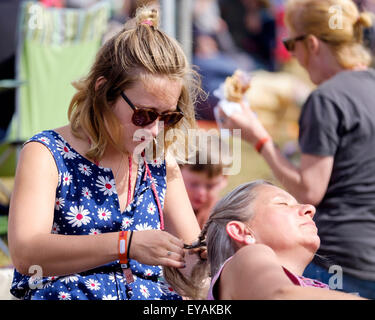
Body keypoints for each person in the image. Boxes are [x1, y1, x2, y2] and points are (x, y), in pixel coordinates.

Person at [7, 6, 202, 300]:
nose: (154, 130)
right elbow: (26, 253)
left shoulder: (158, 161)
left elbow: (193, 263)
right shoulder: (47, 153)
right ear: (103, 91)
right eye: (144, 115)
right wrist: (125, 245)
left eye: (168, 117)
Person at [218, 0, 375, 298]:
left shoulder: (327, 99)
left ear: (312, 44)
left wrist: (259, 138)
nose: (294, 56)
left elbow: (308, 192)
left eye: (291, 44)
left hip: (339, 260)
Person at [167, 180, 365, 299]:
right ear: (242, 232)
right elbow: (280, 296)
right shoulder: (246, 257)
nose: (310, 209)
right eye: (283, 203)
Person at [179, 132, 229, 228]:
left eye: (210, 186)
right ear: (178, 173)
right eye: (194, 184)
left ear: (224, 180)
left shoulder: (220, 216)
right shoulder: (166, 208)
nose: (201, 192)